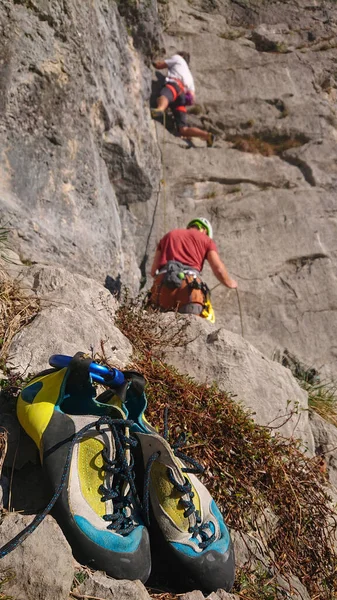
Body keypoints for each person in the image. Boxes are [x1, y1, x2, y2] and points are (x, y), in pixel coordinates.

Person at [148, 218, 237, 319]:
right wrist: (230, 283)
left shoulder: (168, 235)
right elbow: (218, 269)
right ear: (204, 230)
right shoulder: (206, 240)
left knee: (156, 327)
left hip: (163, 282)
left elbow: (153, 271)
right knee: (191, 329)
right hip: (189, 286)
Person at [151, 52, 215, 148]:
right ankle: (207, 135)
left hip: (174, 86)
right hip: (182, 98)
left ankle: (160, 110)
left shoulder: (177, 58)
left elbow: (159, 65)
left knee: (165, 95)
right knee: (183, 129)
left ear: (181, 56)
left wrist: (152, 61)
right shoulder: (190, 76)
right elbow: (192, 99)